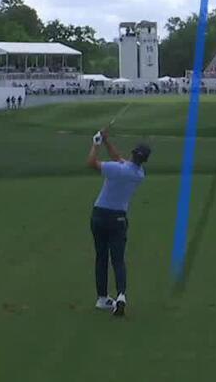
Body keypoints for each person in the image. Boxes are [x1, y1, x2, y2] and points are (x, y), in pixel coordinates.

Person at [87, 128, 150, 317]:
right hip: (118, 219)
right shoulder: (139, 174)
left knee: (101, 257)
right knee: (118, 260)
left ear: (132, 154)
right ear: (144, 160)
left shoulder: (116, 169)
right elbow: (118, 159)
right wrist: (106, 141)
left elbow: (91, 163)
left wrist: (96, 143)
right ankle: (121, 296)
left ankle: (102, 298)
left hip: (99, 215)